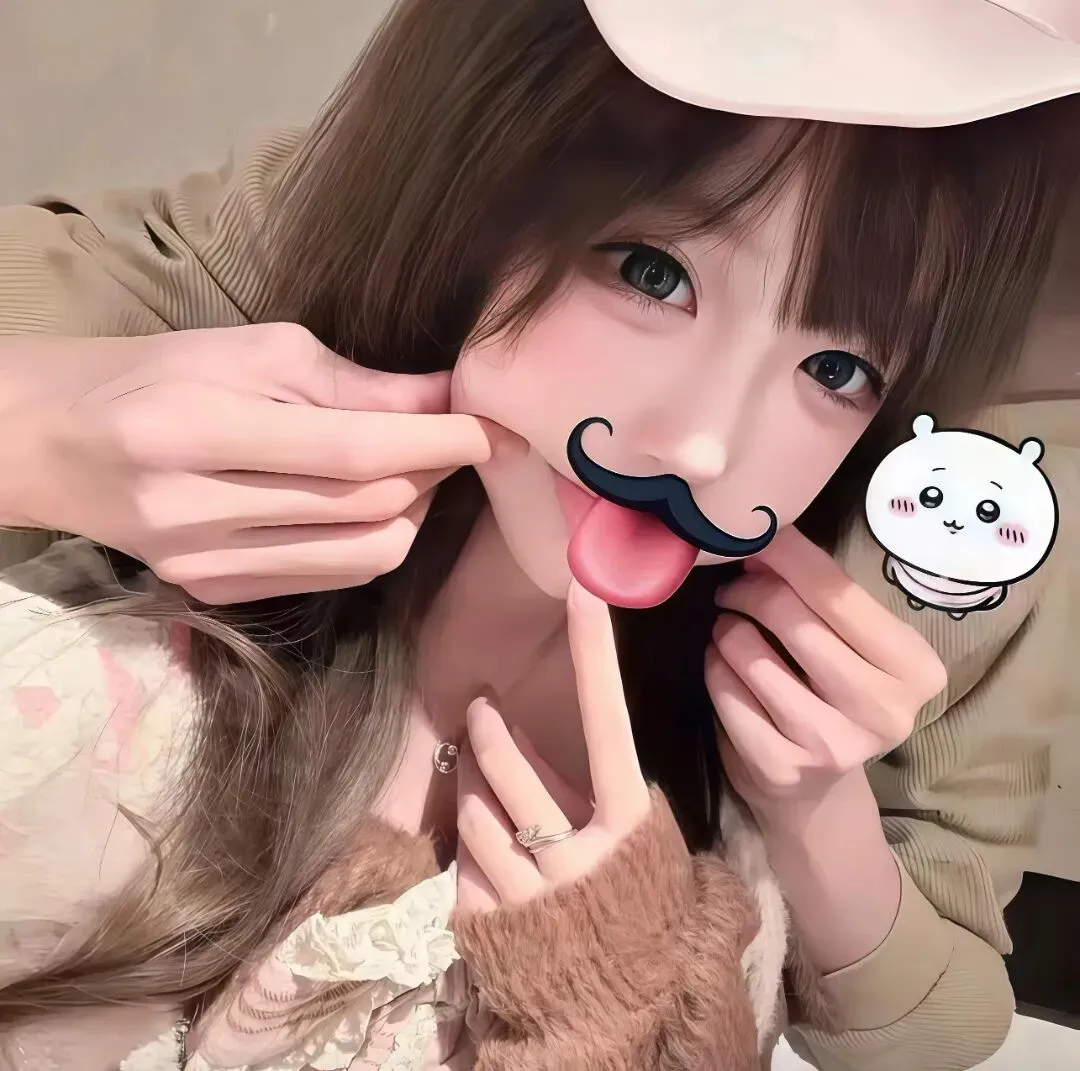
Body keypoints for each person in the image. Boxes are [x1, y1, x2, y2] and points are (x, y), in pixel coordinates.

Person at [0, 1, 1077, 1069]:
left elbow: (938, 1028)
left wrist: (811, 816)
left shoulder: (971, 509)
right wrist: (40, 437)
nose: (704, 449)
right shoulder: (95, 695)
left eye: (838, 370)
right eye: (652, 275)